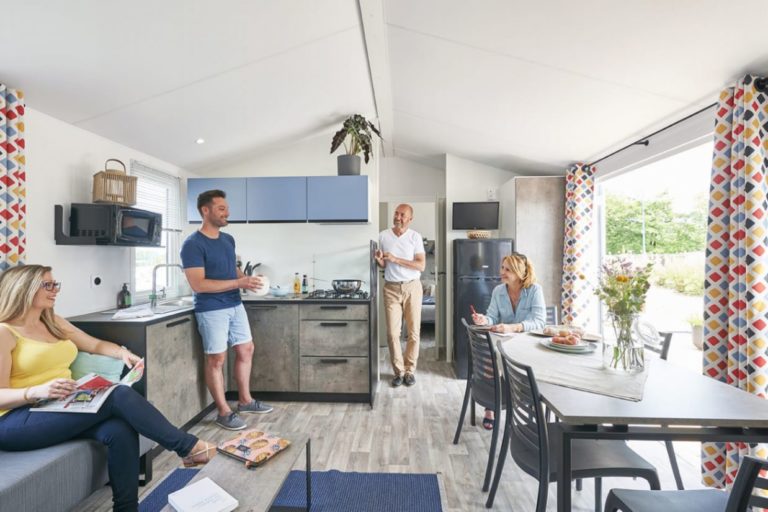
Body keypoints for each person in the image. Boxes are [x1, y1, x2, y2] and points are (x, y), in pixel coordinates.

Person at [0, 265, 216, 512]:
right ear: (23, 289)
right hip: (16, 420)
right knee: (117, 394)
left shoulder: (53, 323)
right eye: (47, 285)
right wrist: (36, 391)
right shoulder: (4, 332)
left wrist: (122, 353)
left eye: (55, 284)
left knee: (119, 429)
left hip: (59, 405)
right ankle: (189, 447)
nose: (55, 290)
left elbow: (94, 344)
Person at [181, 189, 273, 431]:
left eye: (226, 208)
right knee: (216, 359)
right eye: (221, 208)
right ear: (205, 210)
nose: (227, 213)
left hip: (234, 304)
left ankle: (245, 401)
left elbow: (233, 271)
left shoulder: (227, 240)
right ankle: (223, 411)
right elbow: (198, 284)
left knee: (246, 349)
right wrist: (238, 283)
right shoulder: (192, 244)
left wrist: (250, 281)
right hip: (211, 309)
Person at [471, 253, 546, 429]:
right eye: (502, 268)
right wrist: (483, 320)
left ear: (520, 272)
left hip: (528, 343)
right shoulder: (498, 291)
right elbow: (492, 316)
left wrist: (513, 327)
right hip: (504, 341)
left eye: (508, 269)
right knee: (491, 357)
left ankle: (531, 404)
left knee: (528, 367)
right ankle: (491, 406)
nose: (502, 272)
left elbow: (540, 321)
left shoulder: (534, 290)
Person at [375, 204, 426, 387]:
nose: (398, 217)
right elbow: (383, 264)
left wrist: (396, 259)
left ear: (410, 219)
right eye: (396, 213)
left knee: (413, 333)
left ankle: (410, 371)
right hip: (391, 288)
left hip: (412, 288)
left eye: (403, 215)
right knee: (392, 333)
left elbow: (421, 265)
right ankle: (399, 371)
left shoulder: (415, 237)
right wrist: (380, 259)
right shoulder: (383, 236)